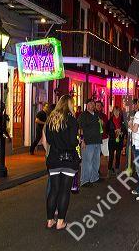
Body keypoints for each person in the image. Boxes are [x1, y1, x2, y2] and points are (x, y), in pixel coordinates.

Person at [45, 95, 79, 230]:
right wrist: (77, 141)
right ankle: (60, 222)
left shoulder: (51, 119)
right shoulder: (71, 120)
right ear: (69, 104)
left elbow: (48, 139)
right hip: (68, 159)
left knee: (53, 190)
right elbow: (72, 141)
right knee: (64, 191)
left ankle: (49, 220)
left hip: (53, 158)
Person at [78, 99, 102, 187]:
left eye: (93, 104)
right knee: (87, 161)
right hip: (88, 142)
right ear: (87, 105)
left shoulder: (96, 115)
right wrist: (82, 140)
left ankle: (94, 177)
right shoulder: (83, 115)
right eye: (90, 103)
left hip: (97, 141)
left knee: (96, 161)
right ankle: (84, 180)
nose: (92, 105)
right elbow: (80, 129)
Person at [107, 106, 126, 177]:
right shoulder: (110, 120)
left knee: (118, 156)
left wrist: (122, 132)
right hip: (112, 140)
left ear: (119, 112)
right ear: (113, 112)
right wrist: (113, 132)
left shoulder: (122, 120)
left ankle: (117, 170)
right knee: (111, 156)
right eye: (115, 111)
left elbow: (125, 130)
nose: (116, 112)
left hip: (119, 141)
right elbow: (107, 130)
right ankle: (109, 171)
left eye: (117, 111)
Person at [96, 101, 109, 165]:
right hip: (96, 138)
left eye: (100, 106)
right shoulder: (93, 115)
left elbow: (107, 126)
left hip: (104, 137)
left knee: (106, 153)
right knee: (97, 154)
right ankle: (97, 169)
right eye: (97, 105)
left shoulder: (104, 116)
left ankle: (109, 167)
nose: (99, 107)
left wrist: (103, 123)